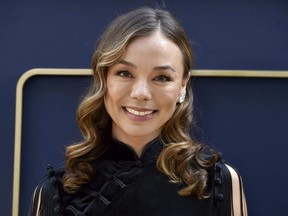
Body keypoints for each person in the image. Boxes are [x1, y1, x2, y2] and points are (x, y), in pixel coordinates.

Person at [29, 7, 247, 216]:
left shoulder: (219, 183)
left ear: (183, 84)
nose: (141, 93)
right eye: (124, 73)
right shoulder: (56, 192)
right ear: (103, 78)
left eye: (161, 77)